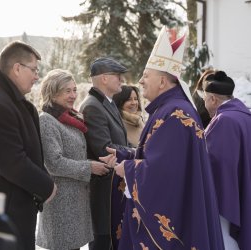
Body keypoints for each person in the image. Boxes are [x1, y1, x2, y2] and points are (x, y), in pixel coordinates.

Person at [100, 26, 224, 249]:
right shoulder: (169, 109)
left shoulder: (175, 114)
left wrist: (127, 168)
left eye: (146, 76)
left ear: (163, 82)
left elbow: (164, 173)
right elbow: (160, 155)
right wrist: (124, 154)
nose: (140, 81)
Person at [0, 40, 56, 250]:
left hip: (12, 208)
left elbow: (29, 150)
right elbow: (13, 162)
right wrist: (47, 186)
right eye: (34, 70)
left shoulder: (8, 100)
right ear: (17, 68)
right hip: (3, 214)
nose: (37, 76)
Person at [36, 69, 110, 250]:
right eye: (66, 91)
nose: (73, 95)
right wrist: (89, 167)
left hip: (75, 202)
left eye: (74, 90)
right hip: (61, 203)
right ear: (52, 92)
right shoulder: (47, 120)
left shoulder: (70, 118)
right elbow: (54, 163)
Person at [79, 57, 131, 250]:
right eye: (117, 76)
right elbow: (105, 149)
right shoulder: (93, 106)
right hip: (103, 192)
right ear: (104, 79)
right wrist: (135, 152)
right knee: (103, 243)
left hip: (113, 188)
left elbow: (120, 143)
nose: (121, 80)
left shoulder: (106, 103)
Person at [202, 71, 251, 249]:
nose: (204, 102)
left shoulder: (224, 120)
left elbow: (215, 166)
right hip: (242, 193)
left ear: (213, 99)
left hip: (227, 203)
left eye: (205, 97)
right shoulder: (244, 116)